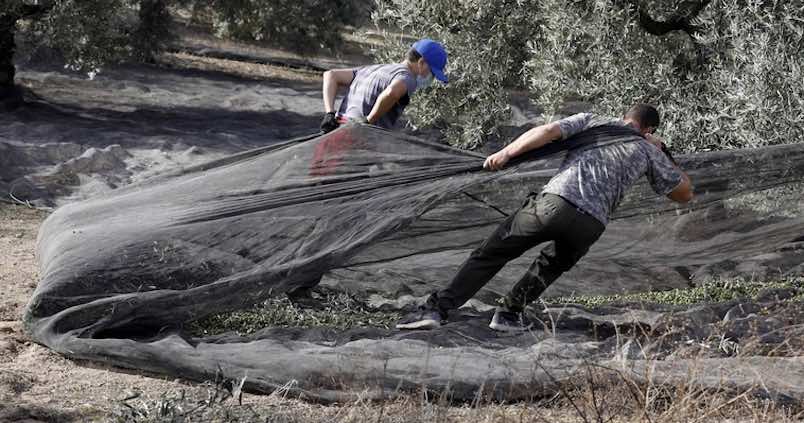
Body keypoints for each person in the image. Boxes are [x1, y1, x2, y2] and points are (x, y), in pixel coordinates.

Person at [396, 104, 694, 331]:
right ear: (649, 130)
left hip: (555, 204)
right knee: (550, 265)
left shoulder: (594, 121)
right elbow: (684, 193)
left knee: (491, 253)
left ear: (625, 116)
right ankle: (509, 314)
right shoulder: (647, 150)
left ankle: (437, 310)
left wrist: (507, 152)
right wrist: (664, 152)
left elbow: (548, 132)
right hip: (590, 225)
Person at [319, 38, 448, 133]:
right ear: (421, 62)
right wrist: (369, 121)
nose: (429, 78)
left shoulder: (374, 69)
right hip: (355, 139)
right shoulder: (408, 77)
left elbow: (331, 75)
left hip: (335, 130)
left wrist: (329, 113)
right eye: (431, 72)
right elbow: (392, 92)